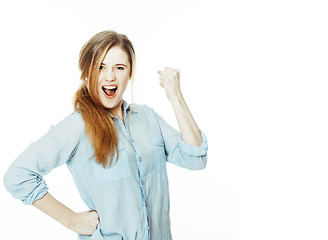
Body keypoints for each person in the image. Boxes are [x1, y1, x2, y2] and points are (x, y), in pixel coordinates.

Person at [4, 30, 208, 240]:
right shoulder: (77, 126)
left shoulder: (148, 117)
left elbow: (196, 159)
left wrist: (175, 96)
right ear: (87, 73)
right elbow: (18, 176)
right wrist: (71, 220)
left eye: (119, 68)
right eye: (100, 67)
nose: (110, 76)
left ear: (129, 73)